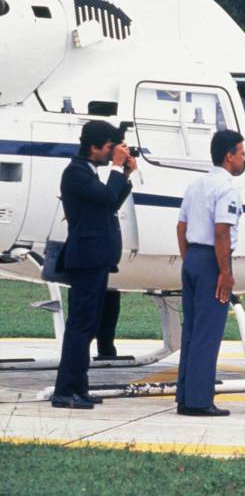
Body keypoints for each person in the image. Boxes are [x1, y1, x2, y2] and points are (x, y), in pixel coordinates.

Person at [51, 121, 135, 409]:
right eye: (110, 148)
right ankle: (66, 390)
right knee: (80, 327)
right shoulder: (75, 173)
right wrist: (116, 169)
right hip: (86, 260)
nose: (112, 153)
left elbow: (109, 204)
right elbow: (107, 198)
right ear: (94, 146)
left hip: (96, 260)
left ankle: (78, 387)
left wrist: (124, 173)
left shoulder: (90, 174)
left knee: (87, 327)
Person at [174, 130, 245, 417]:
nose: (243, 159)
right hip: (212, 261)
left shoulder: (196, 184)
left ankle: (185, 395)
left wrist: (189, 259)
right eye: (241, 153)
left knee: (192, 331)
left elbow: (181, 228)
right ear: (229, 156)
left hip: (193, 257)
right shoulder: (227, 188)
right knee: (208, 333)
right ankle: (199, 401)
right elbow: (221, 232)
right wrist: (225, 272)